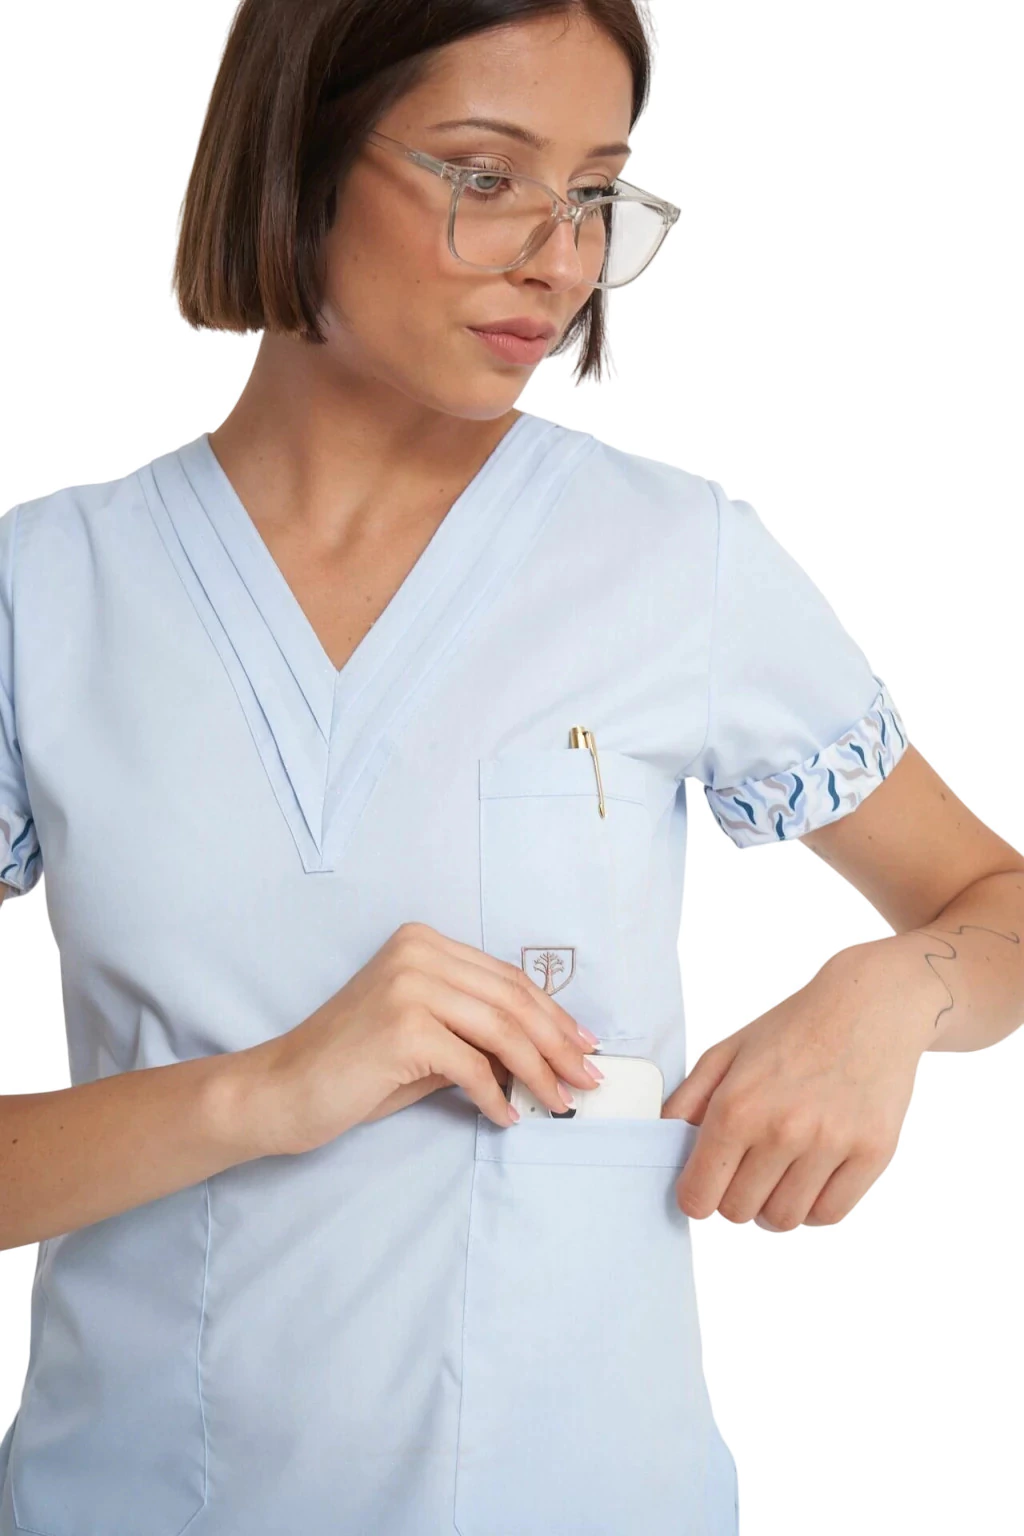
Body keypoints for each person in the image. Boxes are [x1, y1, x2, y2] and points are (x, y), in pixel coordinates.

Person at [2, 1, 1022, 1531]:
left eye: (596, 192)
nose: (561, 258)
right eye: (488, 177)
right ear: (297, 155)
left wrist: (893, 994)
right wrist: (264, 1093)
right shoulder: (46, 594)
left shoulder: (678, 563)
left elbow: (995, 902)